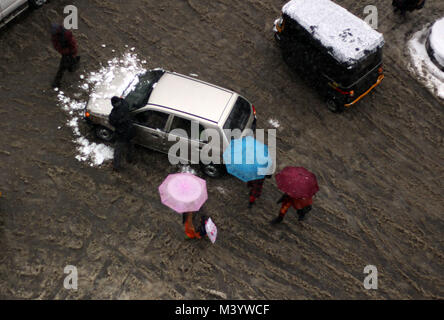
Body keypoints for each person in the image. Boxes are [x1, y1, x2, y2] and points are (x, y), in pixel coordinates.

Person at [108, 96, 136, 171]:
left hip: (121, 134)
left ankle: (116, 166)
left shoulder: (114, 114)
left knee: (118, 151)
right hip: (130, 130)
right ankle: (130, 159)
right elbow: (124, 100)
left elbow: (111, 122)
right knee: (130, 146)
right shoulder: (125, 105)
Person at [50, 23, 80, 88]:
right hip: (66, 53)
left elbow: (72, 43)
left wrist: (72, 52)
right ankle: (56, 82)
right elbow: (57, 46)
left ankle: (56, 82)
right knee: (62, 68)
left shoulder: (66, 34)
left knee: (62, 68)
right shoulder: (56, 36)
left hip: (69, 52)